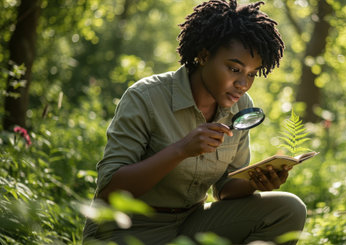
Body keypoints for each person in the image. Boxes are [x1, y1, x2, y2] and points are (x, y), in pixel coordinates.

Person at [83, 0, 306, 244]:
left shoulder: (241, 106)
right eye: (234, 69)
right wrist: (181, 150)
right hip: (127, 226)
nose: (243, 84)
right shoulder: (145, 97)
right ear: (203, 55)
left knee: (289, 209)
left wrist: (256, 181)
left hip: (191, 222)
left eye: (251, 74)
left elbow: (225, 190)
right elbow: (110, 192)